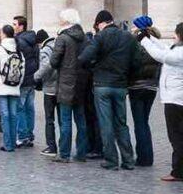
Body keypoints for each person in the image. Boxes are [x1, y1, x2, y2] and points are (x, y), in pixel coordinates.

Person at [78, 10, 138, 170]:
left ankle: (111, 160)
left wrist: (93, 67)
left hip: (102, 85)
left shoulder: (100, 36)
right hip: (120, 85)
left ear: (100, 23)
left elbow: (83, 58)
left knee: (106, 123)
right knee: (121, 123)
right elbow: (136, 61)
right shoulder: (128, 37)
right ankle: (128, 160)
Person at [137, 18, 183, 182]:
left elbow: (160, 55)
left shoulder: (179, 53)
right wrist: (149, 36)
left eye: (175, 35)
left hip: (175, 100)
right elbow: (164, 48)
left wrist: (143, 40)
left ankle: (178, 171)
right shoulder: (177, 50)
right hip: (176, 98)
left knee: (176, 136)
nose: (173, 38)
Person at [40, 9, 89, 163]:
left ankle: (65, 154)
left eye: (61, 19)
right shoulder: (84, 38)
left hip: (66, 83)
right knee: (81, 120)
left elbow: (54, 61)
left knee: (66, 120)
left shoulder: (63, 38)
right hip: (81, 83)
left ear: (66, 21)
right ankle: (81, 153)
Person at [0, 25, 25, 152]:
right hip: (14, 87)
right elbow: (22, 71)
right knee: (13, 115)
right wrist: (18, 84)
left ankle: (8, 144)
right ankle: (13, 142)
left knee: (5, 115)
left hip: (2, 86)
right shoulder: (18, 51)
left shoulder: (0, 50)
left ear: (3, 34)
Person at [128, 23, 161, 168]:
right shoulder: (157, 46)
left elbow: (132, 65)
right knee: (145, 122)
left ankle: (143, 158)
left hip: (137, 87)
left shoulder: (137, 45)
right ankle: (148, 156)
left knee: (140, 123)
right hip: (152, 87)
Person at [13, 16, 39, 148]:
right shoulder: (33, 40)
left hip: (23, 79)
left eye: (15, 24)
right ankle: (29, 134)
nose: (13, 27)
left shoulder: (18, 41)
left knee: (20, 108)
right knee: (30, 108)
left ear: (21, 26)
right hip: (32, 77)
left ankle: (22, 136)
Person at [34, 28, 58, 155]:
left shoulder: (44, 50)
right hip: (61, 87)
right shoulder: (58, 45)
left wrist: (36, 76)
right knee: (63, 120)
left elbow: (46, 66)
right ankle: (64, 147)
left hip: (49, 88)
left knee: (49, 120)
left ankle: (51, 147)